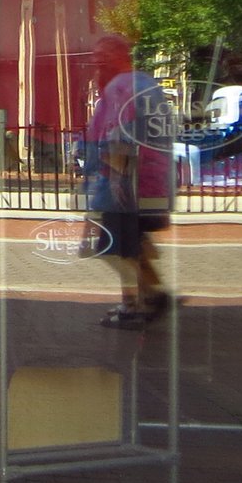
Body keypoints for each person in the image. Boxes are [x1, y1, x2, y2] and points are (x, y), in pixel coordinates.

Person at [84, 32, 176, 326]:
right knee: (133, 244)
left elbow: (118, 138)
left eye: (100, 59)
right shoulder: (146, 84)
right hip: (151, 180)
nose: (96, 66)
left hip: (125, 184)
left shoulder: (119, 88)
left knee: (117, 249)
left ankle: (135, 305)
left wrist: (112, 181)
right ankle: (153, 294)